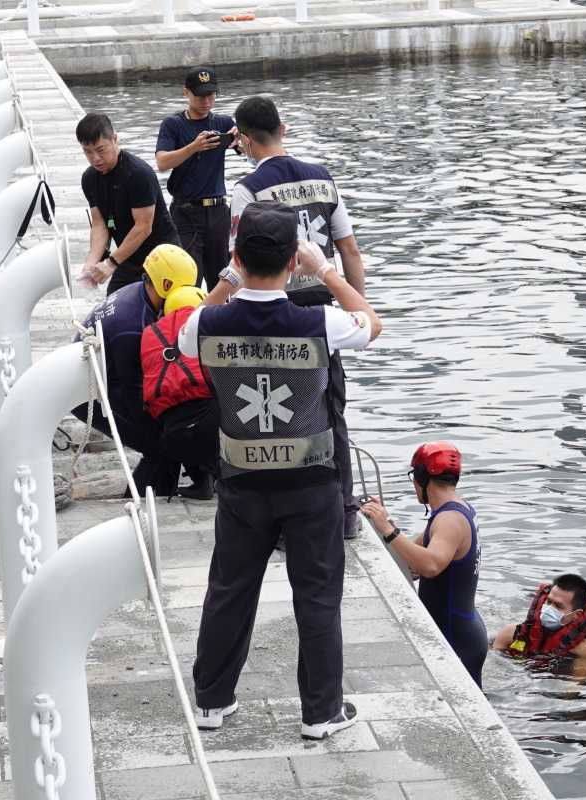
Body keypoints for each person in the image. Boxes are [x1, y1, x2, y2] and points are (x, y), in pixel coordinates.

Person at [179, 201, 382, 739]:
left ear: (236, 257)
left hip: (241, 483)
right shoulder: (320, 321)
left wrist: (227, 278)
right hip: (312, 484)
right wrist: (326, 271)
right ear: (293, 260)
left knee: (229, 589)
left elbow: (184, 332)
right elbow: (372, 323)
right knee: (317, 598)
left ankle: (211, 701)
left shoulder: (206, 321)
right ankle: (321, 713)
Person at [214, 95, 368, 540]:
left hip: (275, 310)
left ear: (242, 139)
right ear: (283, 128)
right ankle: (344, 511)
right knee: (330, 410)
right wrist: (356, 309)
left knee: (280, 413)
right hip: (323, 308)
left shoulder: (248, 190)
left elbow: (241, 262)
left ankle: (283, 518)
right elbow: (350, 252)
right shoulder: (323, 179)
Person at [73, 244, 198, 496]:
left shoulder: (140, 293)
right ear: (165, 286)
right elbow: (135, 397)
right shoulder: (132, 326)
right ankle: (141, 498)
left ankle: (160, 492)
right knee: (162, 444)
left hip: (110, 377)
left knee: (166, 438)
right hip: (89, 393)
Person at [360, 443, 488, 688]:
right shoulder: (455, 510)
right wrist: (384, 521)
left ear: (421, 478)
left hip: (455, 636)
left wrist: (388, 529)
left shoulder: (449, 520)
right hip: (462, 627)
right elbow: (414, 554)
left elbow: (430, 566)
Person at [77, 112, 181, 295]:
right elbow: (100, 223)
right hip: (129, 257)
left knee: (157, 313)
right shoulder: (89, 178)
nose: (95, 159)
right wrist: (91, 263)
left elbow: (143, 227)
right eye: (88, 152)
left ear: (115, 139)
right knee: (113, 308)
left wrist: (111, 263)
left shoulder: (138, 173)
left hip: (161, 255)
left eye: (101, 150)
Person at [155, 67, 236, 291]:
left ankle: (220, 322)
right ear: (186, 93)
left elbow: (250, 150)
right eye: (200, 95)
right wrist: (193, 147)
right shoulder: (173, 125)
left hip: (218, 211)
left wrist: (241, 139)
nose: (206, 101)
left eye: (211, 95)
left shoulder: (223, 123)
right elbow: (162, 163)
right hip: (186, 212)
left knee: (223, 279)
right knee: (189, 278)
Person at [139, 285, 218, 499]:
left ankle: (198, 482)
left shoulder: (150, 334)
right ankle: (220, 478)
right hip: (215, 430)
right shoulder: (209, 326)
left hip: (172, 438)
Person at [493, 574, 586, 661]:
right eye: (549, 601)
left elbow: (576, 686)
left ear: (576, 614)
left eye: (558, 606)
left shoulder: (584, 652)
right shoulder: (511, 633)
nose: (548, 609)